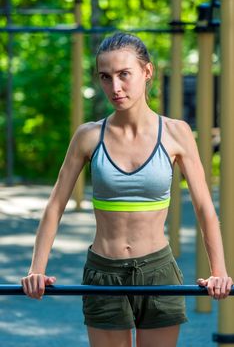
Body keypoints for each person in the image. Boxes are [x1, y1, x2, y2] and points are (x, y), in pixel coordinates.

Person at [21, 32, 233, 347]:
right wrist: (36, 269)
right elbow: (55, 206)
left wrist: (219, 271)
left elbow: (204, 206)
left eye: (124, 75)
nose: (115, 87)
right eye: (106, 78)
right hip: (103, 272)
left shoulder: (176, 133)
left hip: (158, 270)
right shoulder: (88, 136)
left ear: (147, 72)